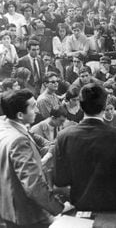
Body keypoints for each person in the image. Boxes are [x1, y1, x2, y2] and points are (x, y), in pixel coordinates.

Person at [54, 83, 116, 211]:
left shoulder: (63, 136)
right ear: (105, 106)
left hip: (81, 207)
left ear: (80, 105)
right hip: (115, 207)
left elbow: (60, 180)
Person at [0, 89, 68, 227]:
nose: (37, 110)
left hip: (8, 209)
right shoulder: (18, 141)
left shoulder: (5, 125)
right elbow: (33, 185)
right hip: (27, 215)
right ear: (20, 114)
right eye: (33, 107)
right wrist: (59, 208)